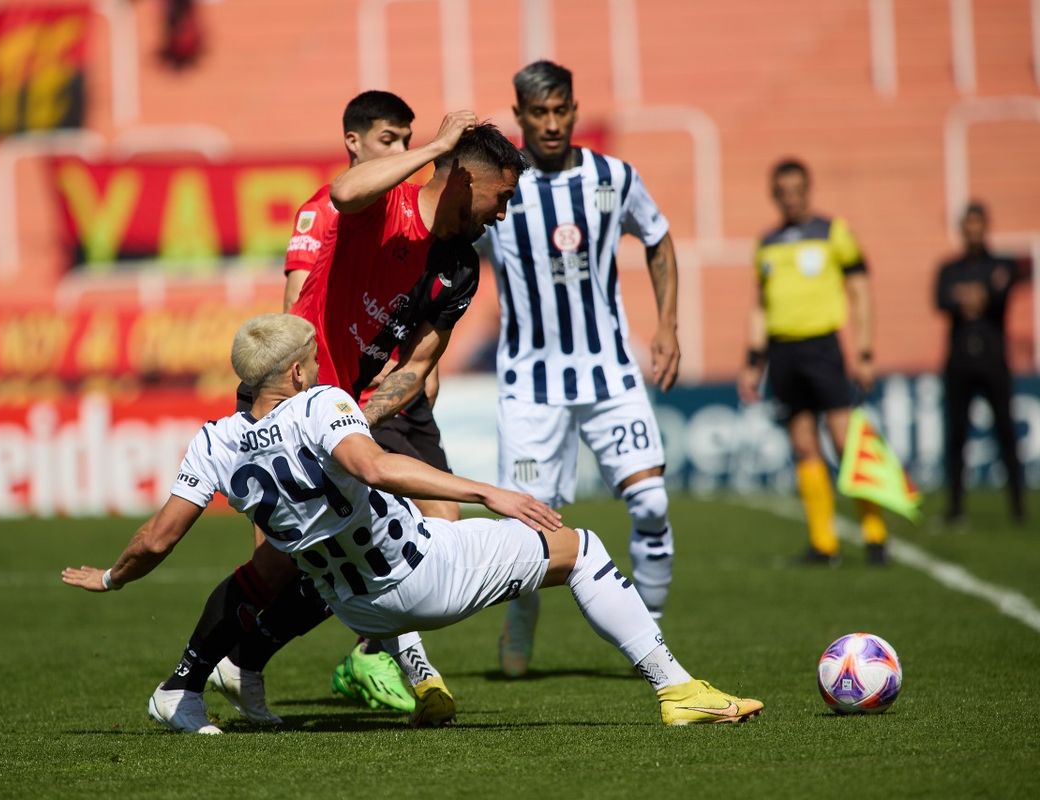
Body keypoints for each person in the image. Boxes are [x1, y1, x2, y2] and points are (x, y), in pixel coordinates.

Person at [62, 314, 765, 731]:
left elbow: (159, 538)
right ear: (299, 370)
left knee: (285, 566)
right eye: (311, 357)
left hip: (357, 607)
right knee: (581, 548)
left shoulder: (212, 440)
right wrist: (489, 491)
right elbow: (373, 467)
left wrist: (112, 576)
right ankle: (677, 689)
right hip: (423, 575)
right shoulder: (318, 404)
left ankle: (229, 674)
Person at [136, 114, 528, 732]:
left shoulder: (461, 267)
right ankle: (191, 680)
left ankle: (385, 664)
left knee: (391, 541)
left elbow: (418, 364)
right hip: (300, 392)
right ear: (461, 179)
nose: (503, 214)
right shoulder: (377, 202)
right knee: (282, 563)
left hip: (358, 407)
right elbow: (343, 196)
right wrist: (435, 147)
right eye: (501, 198)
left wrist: (350, 424)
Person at [215, 91, 462, 722]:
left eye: (409, 141)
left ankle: (385, 652)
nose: (402, 153)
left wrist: (415, 368)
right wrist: (301, 396)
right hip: (316, 392)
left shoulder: (416, 212)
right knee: (288, 554)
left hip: (379, 392)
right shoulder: (327, 208)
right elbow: (298, 301)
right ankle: (223, 663)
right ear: (353, 142)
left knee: (440, 526)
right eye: (389, 141)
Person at [484, 61, 682, 678]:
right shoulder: (498, 185)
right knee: (529, 527)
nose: (550, 123)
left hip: (609, 372)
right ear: (517, 116)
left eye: (560, 110)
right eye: (537, 113)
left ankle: (648, 630)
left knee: (650, 503)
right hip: (530, 384)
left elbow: (657, 237)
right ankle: (520, 623)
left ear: (573, 109)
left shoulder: (613, 178)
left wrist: (668, 325)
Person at [738, 158, 888, 565]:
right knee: (804, 445)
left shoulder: (832, 232)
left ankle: (875, 535)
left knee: (844, 442)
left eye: (796, 190)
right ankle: (824, 544)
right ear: (775, 195)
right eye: (782, 192)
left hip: (824, 347)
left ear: (808, 189)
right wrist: (754, 361)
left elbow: (860, 292)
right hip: (784, 353)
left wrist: (865, 351)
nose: (790, 198)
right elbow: (760, 307)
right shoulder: (766, 242)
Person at [935, 202, 1026, 525]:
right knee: (957, 434)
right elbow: (941, 299)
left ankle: (1018, 507)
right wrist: (978, 295)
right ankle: (955, 508)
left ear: (985, 226)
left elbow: (1001, 293)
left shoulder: (1001, 264)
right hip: (959, 361)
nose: (973, 229)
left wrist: (977, 294)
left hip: (993, 360)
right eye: (968, 224)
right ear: (962, 228)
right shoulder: (949, 268)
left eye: (978, 223)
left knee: (1005, 431)